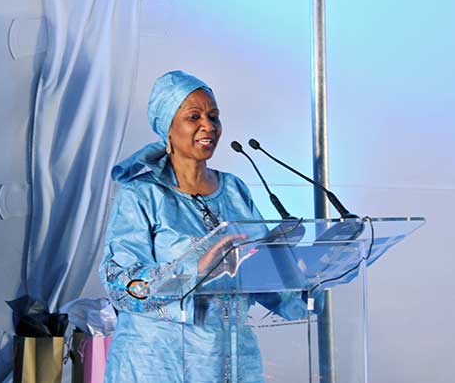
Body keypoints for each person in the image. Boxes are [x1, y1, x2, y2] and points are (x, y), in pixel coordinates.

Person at [99, 71, 308, 383]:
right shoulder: (141, 195)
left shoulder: (235, 189)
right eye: (193, 116)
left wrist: (302, 270)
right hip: (158, 364)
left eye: (213, 116)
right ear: (167, 127)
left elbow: (259, 276)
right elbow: (120, 284)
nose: (208, 126)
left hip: (232, 362)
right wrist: (193, 269)